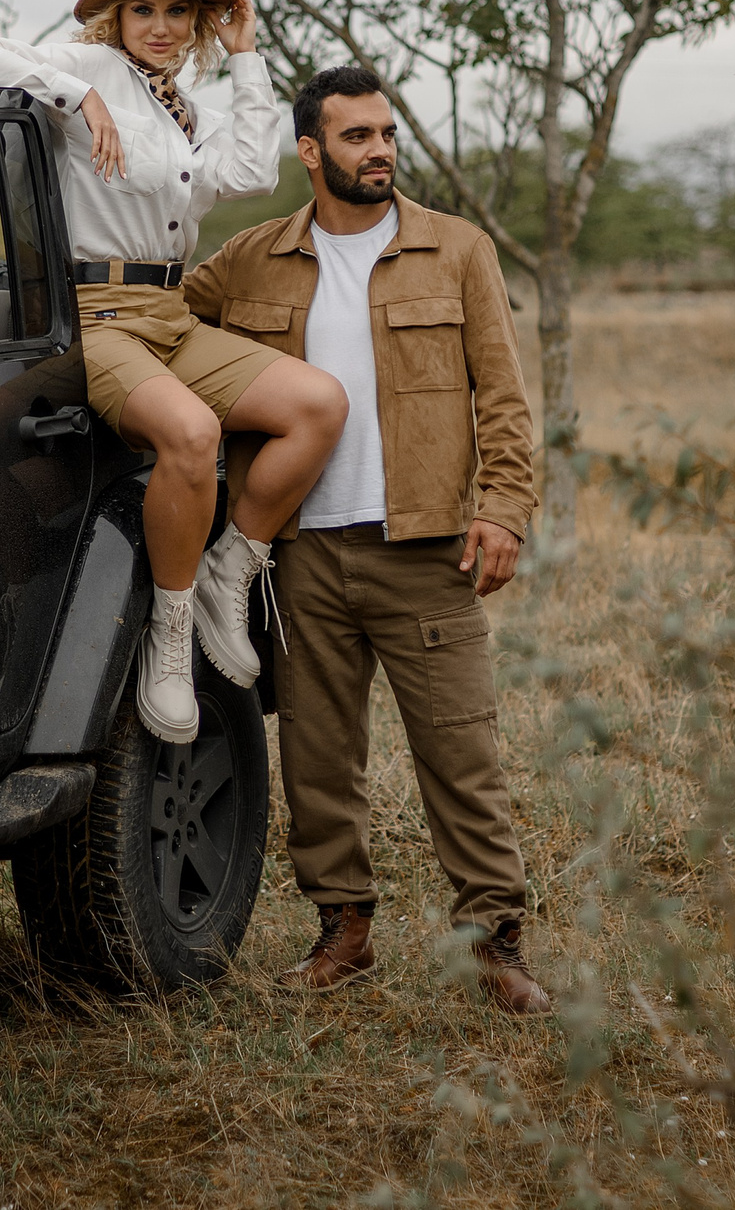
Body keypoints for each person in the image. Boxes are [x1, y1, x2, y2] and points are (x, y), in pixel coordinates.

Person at [183, 65, 549, 1014]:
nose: (379, 149)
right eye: (355, 136)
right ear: (310, 152)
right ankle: (344, 932)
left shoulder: (458, 250)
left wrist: (504, 507)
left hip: (424, 549)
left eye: (385, 133)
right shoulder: (251, 259)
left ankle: (494, 940)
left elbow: (504, 393)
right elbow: (169, 330)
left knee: (461, 751)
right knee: (316, 753)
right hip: (298, 552)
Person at [0, 0, 347, 745]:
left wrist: (245, 56)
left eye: (175, 11)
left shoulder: (181, 104)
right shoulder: (86, 70)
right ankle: (170, 628)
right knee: (191, 432)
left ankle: (232, 566)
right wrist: (76, 100)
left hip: (168, 314)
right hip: (96, 316)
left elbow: (252, 175)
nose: (159, 26)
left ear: (195, 22)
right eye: (142, 9)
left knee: (319, 403)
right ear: (115, 15)